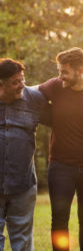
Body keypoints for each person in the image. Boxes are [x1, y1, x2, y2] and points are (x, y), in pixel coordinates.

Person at [39, 47, 83, 251]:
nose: (60, 77)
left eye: (64, 72)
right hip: (61, 167)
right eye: (59, 71)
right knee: (59, 220)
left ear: (80, 70)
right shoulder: (55, 86)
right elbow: (29, 93)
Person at [0, 58, 48, 251]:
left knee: (23, 241)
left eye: (22, 79)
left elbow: (64, 115)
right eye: (15, 82)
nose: (21, 85)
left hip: (23, 184)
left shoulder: (35, 99)